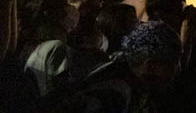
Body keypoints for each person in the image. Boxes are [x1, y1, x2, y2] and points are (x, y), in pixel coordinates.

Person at [41, 19, 182, 113]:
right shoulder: (114, 93)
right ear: (150, 64)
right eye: (171, 64)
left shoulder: (117, 73)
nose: (174, 72)